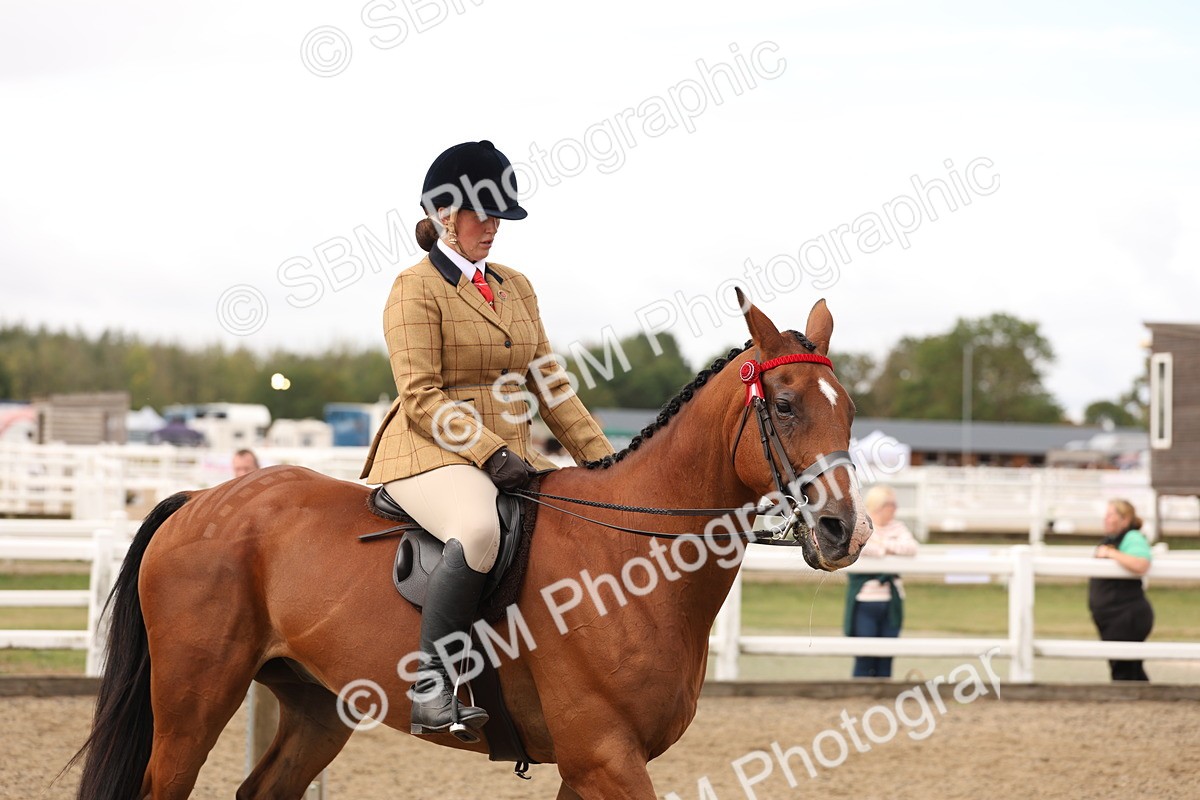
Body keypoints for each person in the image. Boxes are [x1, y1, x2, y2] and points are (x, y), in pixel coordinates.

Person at [359, 140, 615, 739]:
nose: (494, 227)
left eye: (501, 215)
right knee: (478, 530)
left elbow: (551, 387)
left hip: (508, 456)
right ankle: (431, 685)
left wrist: (607, 464)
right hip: (429, 451)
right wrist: (489, 452)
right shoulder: (415, 288)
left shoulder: (517, 287)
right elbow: (420, 394)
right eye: (483, 214)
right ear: (445, 214)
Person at [844, 484, 918, 678]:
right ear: (878, 505)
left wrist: (882, 546)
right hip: (865, 600)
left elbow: (911, 547)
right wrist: (885, 550)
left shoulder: (898, 527)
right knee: (864, 654)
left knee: (887, 654)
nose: (895, 509)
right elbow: (858, 547)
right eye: (891, 504)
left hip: (891, 600)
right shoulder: (862, 525)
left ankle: (884, 693)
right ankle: (861, 693)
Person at [1089, 498, 1154, 681]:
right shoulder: (1113, 539)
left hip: (1126, 615)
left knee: (1125, 670)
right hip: (1114, 617)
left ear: (1124, 520)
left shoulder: (1131, 537)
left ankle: (1135, 705)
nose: (1105, 519)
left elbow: (1141, 564)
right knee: (1128, 669)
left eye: (1110, 515)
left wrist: (1110, 553)